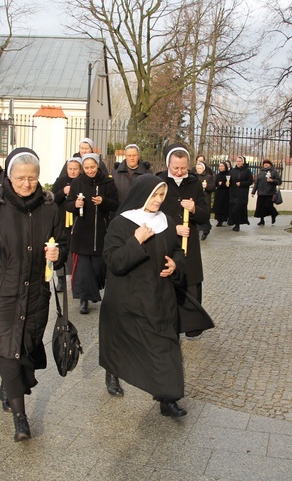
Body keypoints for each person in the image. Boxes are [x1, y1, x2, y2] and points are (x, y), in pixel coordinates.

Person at [0, 147, 67, 442]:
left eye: (32, 178)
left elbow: (63, 247)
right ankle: (21, 417)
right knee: (8, 349)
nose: (26, 184)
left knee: (24, 347)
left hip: (35, 295)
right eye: (20, 178)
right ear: (9, 176)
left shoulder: (50, 209)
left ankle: (9, 385)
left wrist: (58, 254)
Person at [98, 174, 188, 417]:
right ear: (142, 195)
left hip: (161, 298)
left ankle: (168, 400)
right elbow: (113, 261)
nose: (159, 200)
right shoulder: (122, 223)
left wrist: (175, 265)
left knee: (166, 348)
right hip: (130, 298)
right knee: (124, 344)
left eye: (162, 195)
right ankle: (113, 371)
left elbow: (178, 252)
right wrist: (136, 241)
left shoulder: (166, 221)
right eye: (154, 195)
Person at [65, 153, 119, 314]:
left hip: (100, 231)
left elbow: (115, 204)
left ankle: (93, 291)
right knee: (82, 268)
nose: (90, 171)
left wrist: (104, 201)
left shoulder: (108, 182)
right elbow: (68, 205)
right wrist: (75, 204)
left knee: (97, 266)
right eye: (87, 168)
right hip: (82, 231)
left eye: (92, 167)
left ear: (98, 166)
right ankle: (84, 299)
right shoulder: (77, 182)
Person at [156, 143, 210, 303]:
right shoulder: (158, 182)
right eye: (175, 168)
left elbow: (205, 216)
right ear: (167, 164)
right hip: (165, 244)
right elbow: (150, 214)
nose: (179, 172)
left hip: (190, 246)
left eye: (183, 168)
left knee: (191, 290)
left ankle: (191, 326)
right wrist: (173, 228)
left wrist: (194, 209)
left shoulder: (195, 183)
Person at [50, 157, 83, 291]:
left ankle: (77, 280)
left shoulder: (82, 181)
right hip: (62, 220)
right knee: (62, 248)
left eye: (75, 169)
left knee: (76, 251)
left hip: (77, 220)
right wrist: (62, 192)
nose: (73, 171)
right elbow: (52, 198)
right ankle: (61, 280)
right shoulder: (60, 181)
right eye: (70, 169)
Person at [251, 159, 281, 225]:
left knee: (268, 206)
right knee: (260, 207)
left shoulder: (273, 172)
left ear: (270, 164)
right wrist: (253, 191)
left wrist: (272, 180)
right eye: (264, 163)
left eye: (267, 163)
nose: (265, 164)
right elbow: (257, 182)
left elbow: (279, 181)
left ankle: (274, 214)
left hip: (269, 192)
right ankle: (262, 220)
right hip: (261, 192)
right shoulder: (261, 172)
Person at [227, 155, 252, 231]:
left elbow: (250, 181)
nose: (238, 163)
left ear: (243, 162)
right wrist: (228, 183)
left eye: (240, 161)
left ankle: (237, 224)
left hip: (242, 193)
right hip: (233, 193)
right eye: (237, 161)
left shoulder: (247, 171)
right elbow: (230, 180)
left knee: (237, 209)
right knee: (233, 208)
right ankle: (233, 222)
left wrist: (241, 183)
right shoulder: (233, 171)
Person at [194, 161, 215, 240]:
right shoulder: (194, 176)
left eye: (200, 168)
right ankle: (198, 230)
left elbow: (213, 188)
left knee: (205, 214)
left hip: (205, 198)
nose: (198, 170)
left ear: (203, 168)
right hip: (196, 198)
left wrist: (207, 186)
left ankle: (206, 230)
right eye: (197, 168)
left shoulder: (209, 177)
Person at [213, 161, 231, 227]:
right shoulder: (218, 175)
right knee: (218, 206)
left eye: (222, 166)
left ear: (225, 167)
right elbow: (215, 183)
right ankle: (219, 220)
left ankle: (225, 218)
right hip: (219, 193)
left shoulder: (228, 174)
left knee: (225, 206)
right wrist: (218, 184)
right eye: (220, 166)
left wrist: (223, 184)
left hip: (226, 193)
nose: (220, 168)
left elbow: (229, 184)